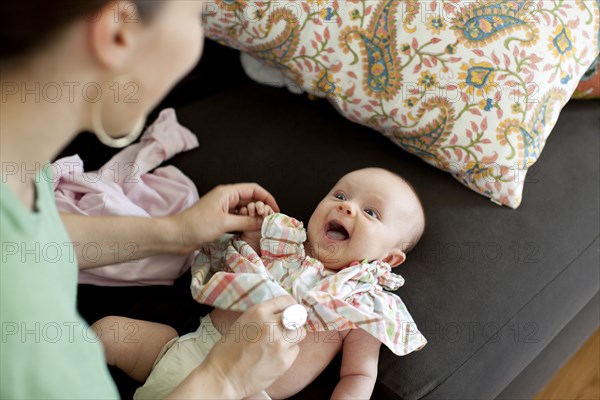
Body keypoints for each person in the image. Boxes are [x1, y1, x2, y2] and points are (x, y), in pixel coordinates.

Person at [0, 1, 305, 398]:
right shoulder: (28, 335)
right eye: (196, 16)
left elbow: (33, 240)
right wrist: (224, 381)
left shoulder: (18, 161)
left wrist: (176, 233)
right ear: (118, 31)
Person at [97, 167, 428, 399]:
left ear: (388, 259)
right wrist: (253, 232)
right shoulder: (283, 244)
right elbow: (243, 265)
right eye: (340, 194)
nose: (347, 206)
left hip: (250, 391)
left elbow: (358, 375)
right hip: (185, 347)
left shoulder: (363, 305)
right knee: (107, 331)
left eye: (371, 212)